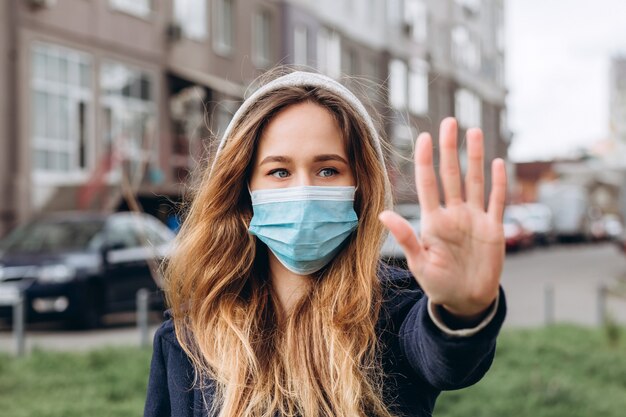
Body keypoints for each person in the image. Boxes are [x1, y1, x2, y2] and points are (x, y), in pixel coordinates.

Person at [144, 70, 507, 417]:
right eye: (279, 172)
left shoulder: (394, 317)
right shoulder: (186, 340)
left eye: (328, 170)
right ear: (244, 190)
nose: (303, 190)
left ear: (360, 188)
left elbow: (445, 358)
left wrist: (461, 311)